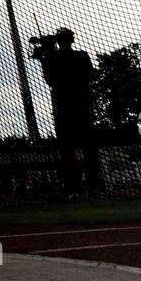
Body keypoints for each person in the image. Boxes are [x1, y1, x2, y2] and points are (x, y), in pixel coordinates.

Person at [38, 27, 100, 195]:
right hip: (80, 107)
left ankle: (74, 187)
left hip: (65, 109)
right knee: (86, 149)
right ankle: (92, 186)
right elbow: (89, 76)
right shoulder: (80, 56)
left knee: (68, 150)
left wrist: (46, 55)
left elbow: (49, 80)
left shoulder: (54, 58)